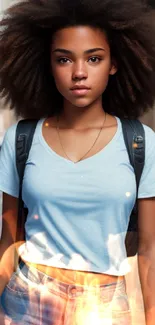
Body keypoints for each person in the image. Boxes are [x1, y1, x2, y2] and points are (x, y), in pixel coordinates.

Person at [0, 0, 155, 324]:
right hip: (30, 300)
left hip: (106, 304)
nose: (79, 72)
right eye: (64, 59)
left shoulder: (140, 142)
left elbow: (149, 250)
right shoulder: (20, 139)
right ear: (48, 64)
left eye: (94, 58)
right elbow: (9, 239)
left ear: (114, 63)